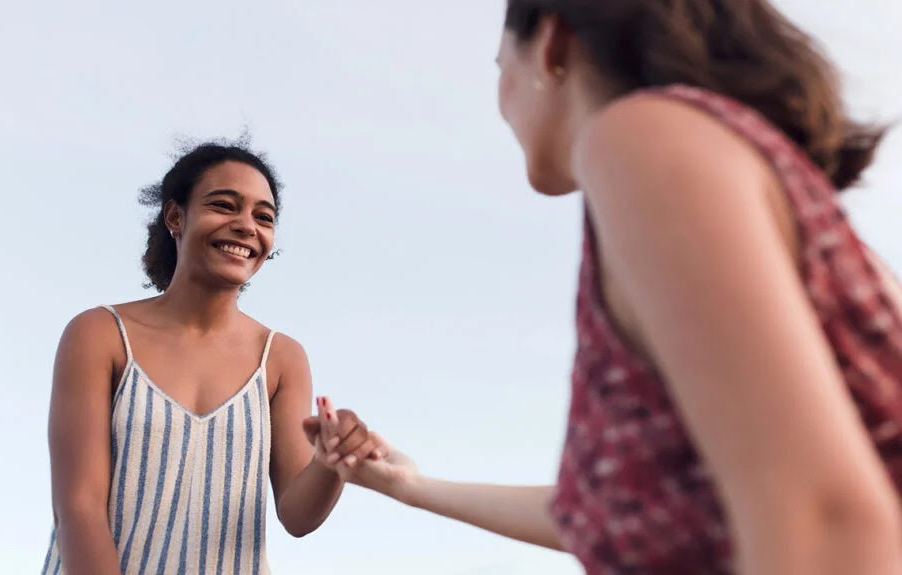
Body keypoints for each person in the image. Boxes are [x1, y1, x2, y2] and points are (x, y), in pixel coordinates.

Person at [309, 1, 902, 573]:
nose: (500, 102)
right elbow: (647, 512)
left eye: (498, 68)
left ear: (552, 44)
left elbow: (826, 520)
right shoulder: (730, 169)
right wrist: (411, 487)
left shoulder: (641, 138)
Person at [40, 140, 382, 575]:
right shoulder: (99, 334)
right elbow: (79, 506)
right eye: (224, 205)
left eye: (264, 217)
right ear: (175, 216)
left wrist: (331, 463)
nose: (246, 226)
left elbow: (297, 516)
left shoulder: (281, 358)